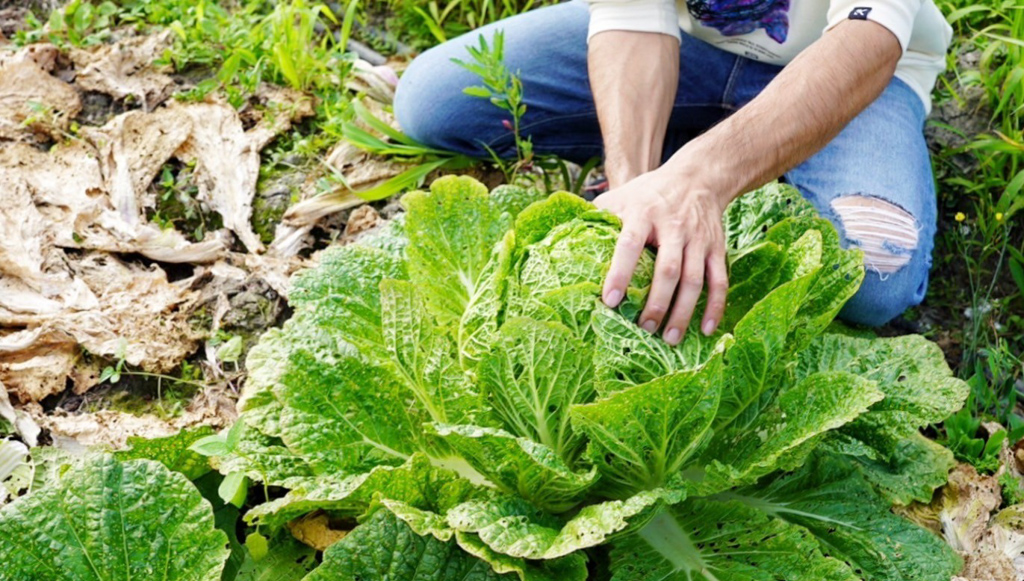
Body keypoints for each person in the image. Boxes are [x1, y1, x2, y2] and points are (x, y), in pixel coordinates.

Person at [393, 0, 952, 344]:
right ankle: (720, 148)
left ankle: (734, 152)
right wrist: (633, 195)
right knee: (435, 105)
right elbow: (632, 17)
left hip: (853, 69)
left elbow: (869, 35)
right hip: (693, 48)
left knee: (875, 274)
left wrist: (700, 181)